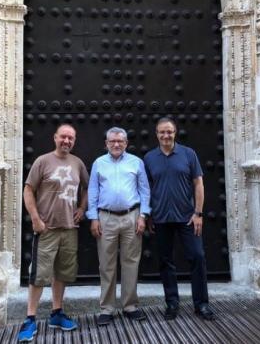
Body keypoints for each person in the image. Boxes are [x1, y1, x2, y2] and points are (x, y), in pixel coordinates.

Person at [18, 124, 89, 342]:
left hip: (69, 228)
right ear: (55, 137)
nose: (66, 141)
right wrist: (36, 219)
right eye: (63, 137)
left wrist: (82, 208)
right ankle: (30, 318)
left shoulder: (78, 163)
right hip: (47, 228)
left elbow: (87, 188)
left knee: (62, 273)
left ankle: (57, 313)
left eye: (71, 138)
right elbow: (28, 189)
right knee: (39, 274)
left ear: (74, 141)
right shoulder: (43, 161)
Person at [143, 117, 215, 321]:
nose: (166, 135)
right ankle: (172, 303)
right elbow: (146, 188)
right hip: (161, 217)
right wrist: (148, 215)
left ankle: (201, 304)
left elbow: (198, 184)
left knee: (197, 257)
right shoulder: (149, 158)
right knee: (166, 261)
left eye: (169, 132)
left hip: (187, 218)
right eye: (162, 132)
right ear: (156, 134)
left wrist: (198, 213)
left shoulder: (188, 154)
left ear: (175, 133)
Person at [87, 127, 151, 325]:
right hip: (106, 218)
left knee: (131, 262)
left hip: (132, 217)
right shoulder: (99, 163)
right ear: (106, 143)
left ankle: (130, 306)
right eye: (112, 141)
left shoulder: (136, 162)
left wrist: (143, 216)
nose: (116, 144)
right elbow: (92, 192)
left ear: (126, 143)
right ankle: (107, 308)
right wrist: (93, 218)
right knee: (106, 265)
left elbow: (144, 191)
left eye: (120, 141)